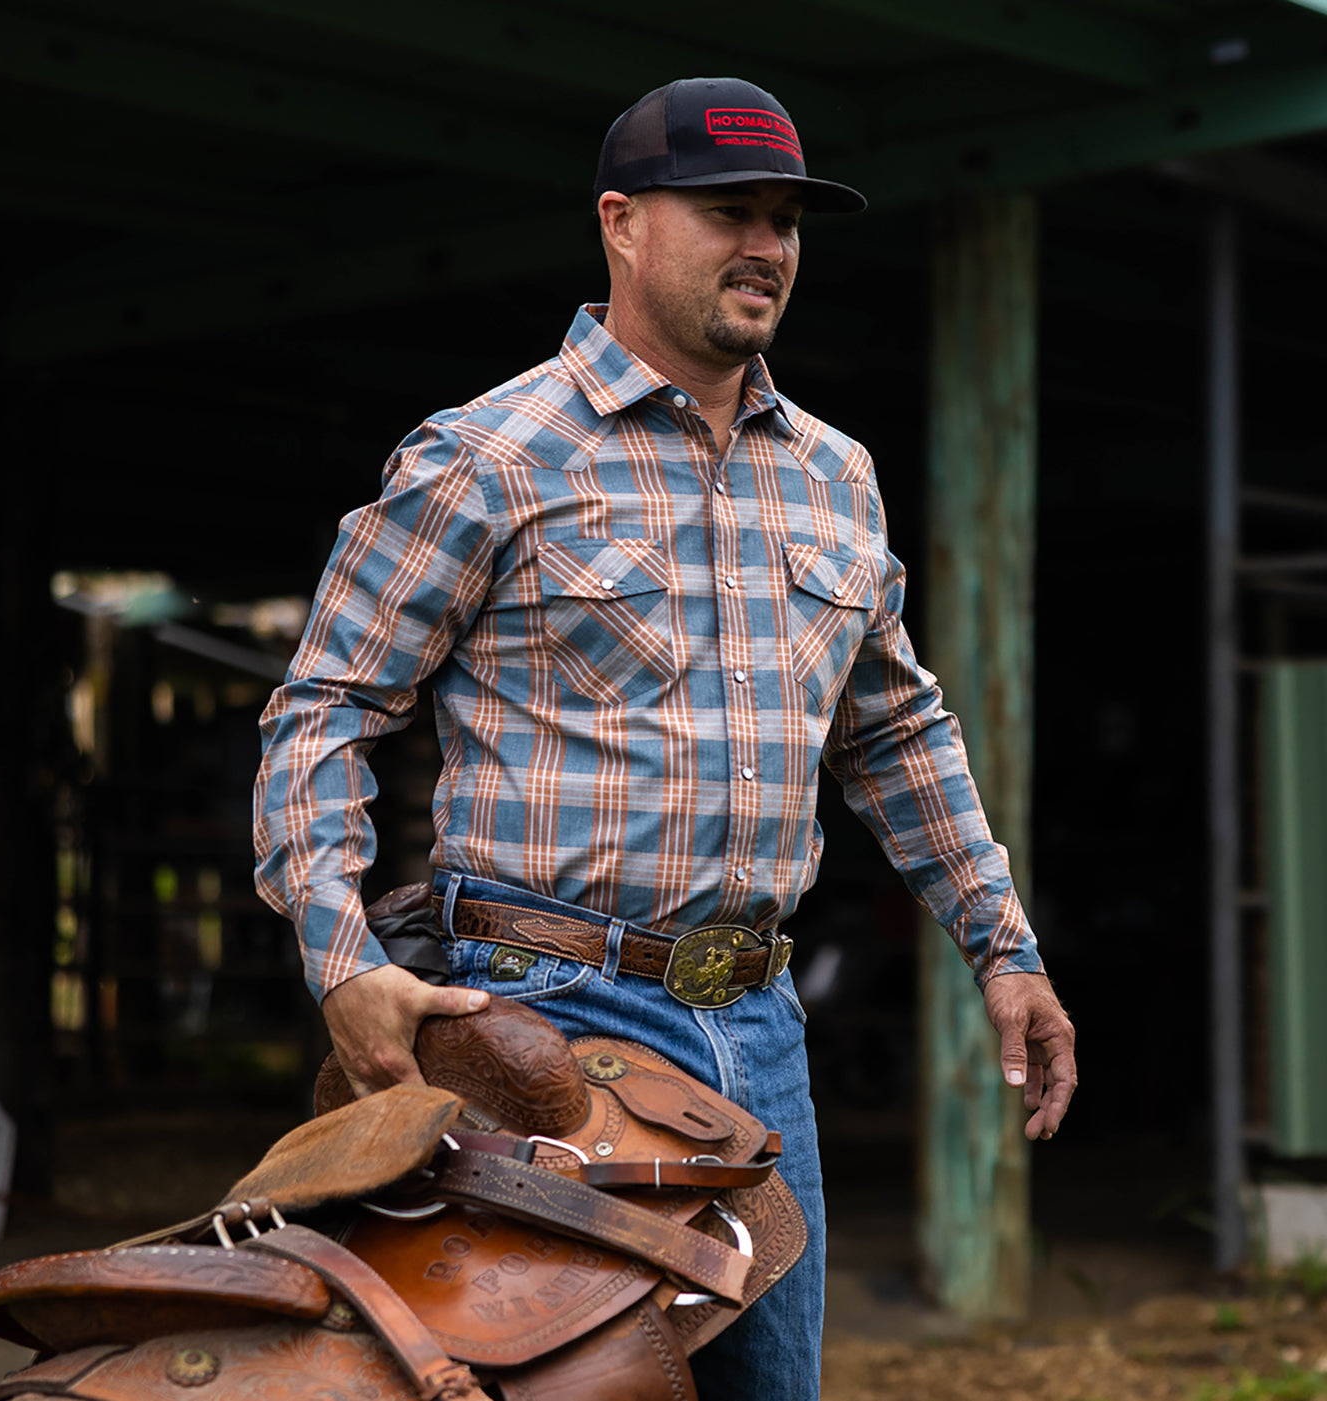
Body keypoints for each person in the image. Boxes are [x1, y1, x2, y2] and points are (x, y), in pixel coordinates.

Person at [254, 76, 1077, 1401]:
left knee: (769, 1391)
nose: (766, 246)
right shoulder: (489, 453)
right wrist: (341, 957)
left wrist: (1002, 943)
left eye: (786, 223)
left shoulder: (834, 475)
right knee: (551, 1383)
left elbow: (894, 730)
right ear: (623, 223)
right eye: (728, 214)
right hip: (534, 1018)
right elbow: (325, 705)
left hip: (756, 1030)